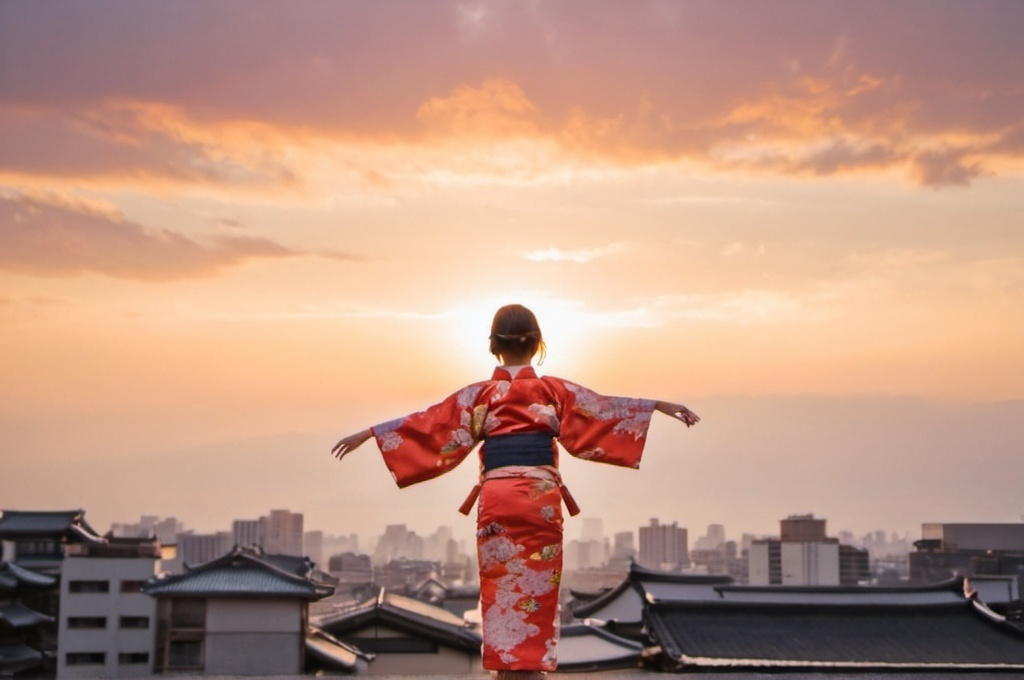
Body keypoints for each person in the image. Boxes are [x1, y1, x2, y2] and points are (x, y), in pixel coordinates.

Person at [331, 304, 698, 679]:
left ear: (493, 346)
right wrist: (657, 407)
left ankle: (505, 670)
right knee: (538, 583)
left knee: (501, 583)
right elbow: (603, 410)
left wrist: (372, 433)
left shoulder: (480, 395)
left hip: (498, 498)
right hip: (539, 499)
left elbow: (428, 424)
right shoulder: (553, 391)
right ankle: (533, 670)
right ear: (538, 343)